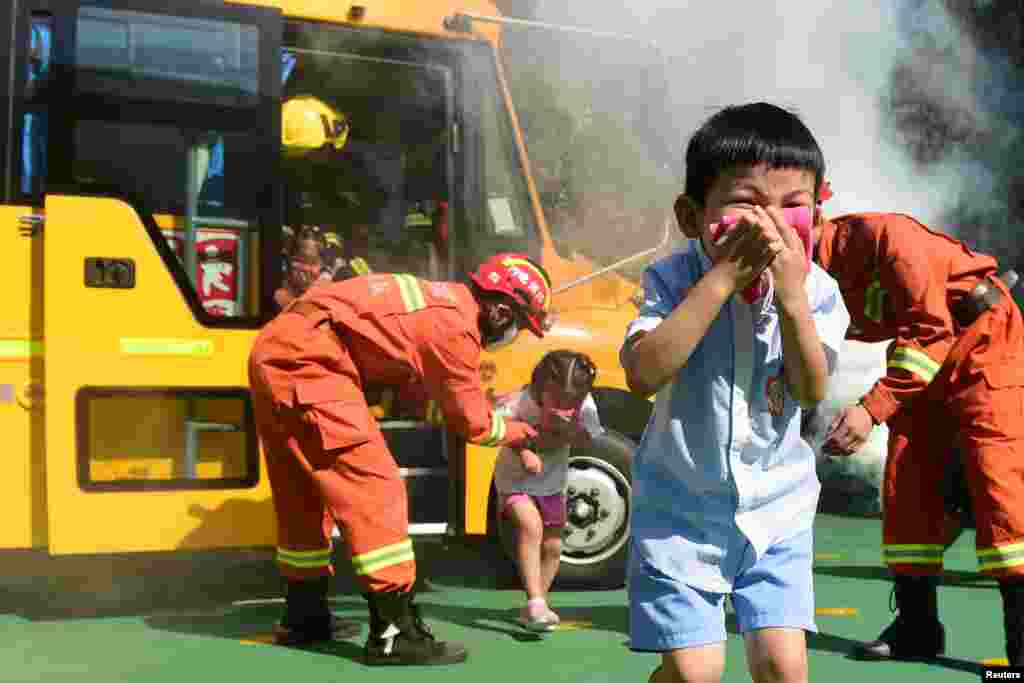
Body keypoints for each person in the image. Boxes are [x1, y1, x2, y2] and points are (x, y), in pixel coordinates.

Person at [621, 102, 849, 683]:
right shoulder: (671, 278)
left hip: (778, 511)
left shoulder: (818, 291)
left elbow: (809, 388)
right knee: (695, 674)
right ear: (693, 214)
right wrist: (721, 279)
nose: (770, 222)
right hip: (680, 513)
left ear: (818, 215)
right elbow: (643, 373)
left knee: (783, 667)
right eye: (747, 201)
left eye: (794, 205)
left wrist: (793, 299)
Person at [248, 252, 552, 666]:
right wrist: (519, 432)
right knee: (375, 487)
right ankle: (394, 633)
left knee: (303, 491)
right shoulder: (456, 326)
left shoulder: (436, 301)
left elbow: (397, 356)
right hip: (311, 363)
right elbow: (473, 424)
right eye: (518, 325)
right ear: (500, 312)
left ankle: (305, 616)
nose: (512, 334)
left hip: (276, 351)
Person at [814, 212, 1024, 665]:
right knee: (907, 482)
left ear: (814, 211)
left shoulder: (886, 238)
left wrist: (871, 410)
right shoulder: (802, 276)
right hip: (928, 353)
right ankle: (916, 631)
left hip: (984, 344)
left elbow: (930, 331)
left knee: (998, 489)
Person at [493, 350, 604, 631]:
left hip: (552, 484)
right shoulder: (522, 402)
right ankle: (535, 603)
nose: (566, 404)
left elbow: (589, 438)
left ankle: (537, 603)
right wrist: (524, 450)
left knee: (554, 546)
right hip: (514, 480)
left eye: (574, 400)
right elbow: (498, 428)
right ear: (540, 388)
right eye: (558, 398)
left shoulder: (585, 406)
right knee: (531, 528)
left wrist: (570, 430)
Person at [273, 226, 325, 310]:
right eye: (299, 261)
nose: (306, 268)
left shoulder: (327, 295)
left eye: (313, 262)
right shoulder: (275, 293)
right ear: (289, 260)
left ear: (322, 265)